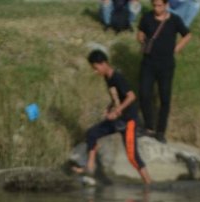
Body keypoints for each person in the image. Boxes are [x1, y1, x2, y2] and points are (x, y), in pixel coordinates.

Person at [75, 49, 151, 185]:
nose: (95, 71)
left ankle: (148, 183)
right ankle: (90, 167)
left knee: (132, 156)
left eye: (95, 67)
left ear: (103, 63)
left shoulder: (117, 77)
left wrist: (116, 111)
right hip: (118, 119)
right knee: (92, 133)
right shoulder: (107, 77)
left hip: (129, 121)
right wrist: (109, 108)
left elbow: (131, 96)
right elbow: (117, 97)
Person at [137, 0, 192, 143]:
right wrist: (142, 40)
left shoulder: (174, 20)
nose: (156, 8)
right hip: (148, 63)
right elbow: (140, 31)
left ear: (166, 5)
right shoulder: (147, 17)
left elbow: (187, 35)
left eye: (159, 5)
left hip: (166, 65)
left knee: (165, 98)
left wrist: (176, 49)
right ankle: (149, 127)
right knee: (144, 93)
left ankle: (161, 131)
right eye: (154, 5)